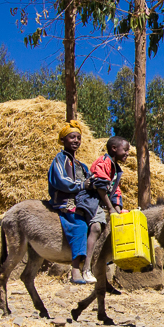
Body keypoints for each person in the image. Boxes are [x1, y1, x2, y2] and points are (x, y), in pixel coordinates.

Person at [48, 120, 101, 285]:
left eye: (78, 137)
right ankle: (76, 270)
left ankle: (93, 265)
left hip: (82, 202)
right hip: (67, 202)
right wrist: (81, 185)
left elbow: (88, 180)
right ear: (63, 140)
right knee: (80, 226)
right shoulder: (60, 159)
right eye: (72, 137)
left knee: (98, 224)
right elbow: (60, 180)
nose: (76, 140)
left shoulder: (81, 165)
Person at [84, 136, 131, 281]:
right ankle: (86, 269)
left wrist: (118, 209)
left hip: (103, 201)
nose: (127, 153)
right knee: (96, 227)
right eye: (125, 150)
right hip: (92, 199)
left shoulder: (115, 169)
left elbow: (115, 191)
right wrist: (110, 208)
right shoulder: (103, 163)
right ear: (114, 149)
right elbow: (101, 188)